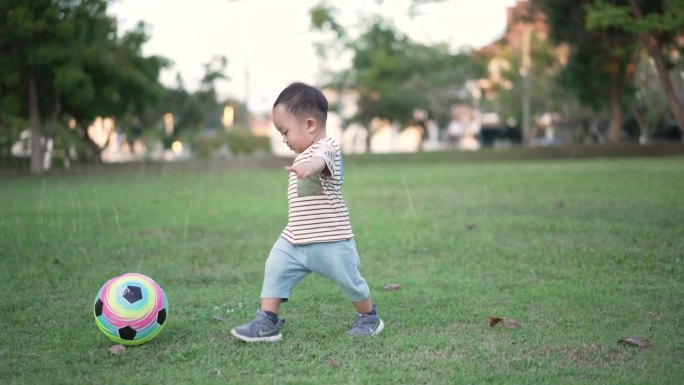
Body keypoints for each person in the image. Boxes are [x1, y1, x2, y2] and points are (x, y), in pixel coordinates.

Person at [230, 82, 384, 342]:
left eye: (285, 131)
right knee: (275, 266)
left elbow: (321, 161)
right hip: (295, 239)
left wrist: (309, 167)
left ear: (310, 125)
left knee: (351, 282)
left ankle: (369, 317)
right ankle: (268, 320)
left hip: (331, 239)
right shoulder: (303, 153)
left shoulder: (327, 148)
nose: (284, 138)